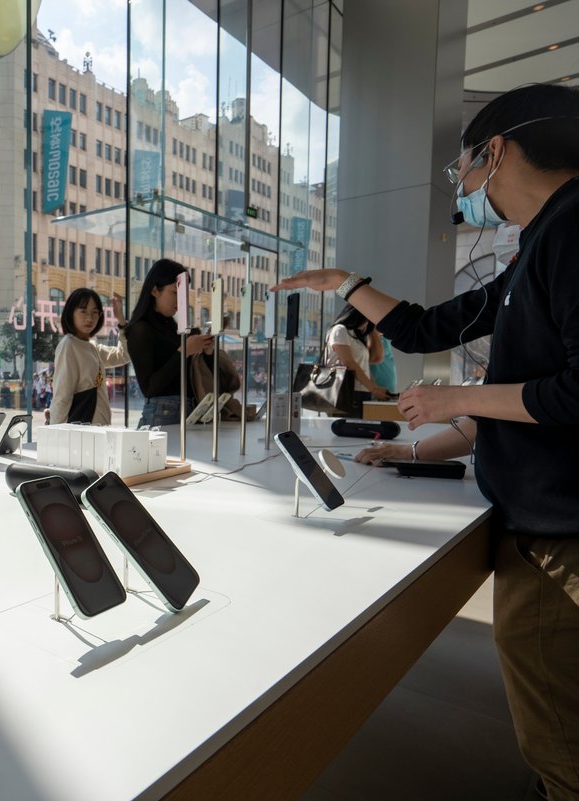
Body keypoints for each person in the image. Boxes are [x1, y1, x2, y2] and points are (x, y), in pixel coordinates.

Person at [272, 83, 579, 801]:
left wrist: (454, 398)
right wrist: (346, 282)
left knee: (556, 726)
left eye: (465, 168)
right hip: (540, 520)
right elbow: (424, 326)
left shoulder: (570, 231)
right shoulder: (539, 243)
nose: (464, 188)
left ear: (495, 151)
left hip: (560, 532)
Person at [124, 258, 215, 427]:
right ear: (154, 291)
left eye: (184, 295)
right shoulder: (140, 329)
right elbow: (149, 388)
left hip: (189, 411)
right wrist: (184, 352)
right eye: (175, 293)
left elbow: (191, 376)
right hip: (162, 414)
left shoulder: (173, 327)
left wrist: (206, 351)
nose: (180, 301)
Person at [49, 288, 129, 426]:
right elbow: (62, 396)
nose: (90, 318)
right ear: (71, 313)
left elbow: (123, 355)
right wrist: (57, 434)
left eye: (95, 312)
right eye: (83, 311)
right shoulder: (69, 346)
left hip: (98, 431)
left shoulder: (92, 347)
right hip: (83, 434)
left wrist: (121, 320)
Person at [323, 304, 391, 411]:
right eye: (366, 319)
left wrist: (375, 388)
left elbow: (363, 366)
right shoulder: (339, 330)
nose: (366, 324)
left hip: (360, 391)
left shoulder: (354, 335)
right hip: (345, 391)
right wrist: (373, 389)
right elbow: (348, 363)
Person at [187, 327, 248, 421]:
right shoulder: (192, 359)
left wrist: (209, 353)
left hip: (208, 408)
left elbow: (226, 379)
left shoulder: (212, 356)